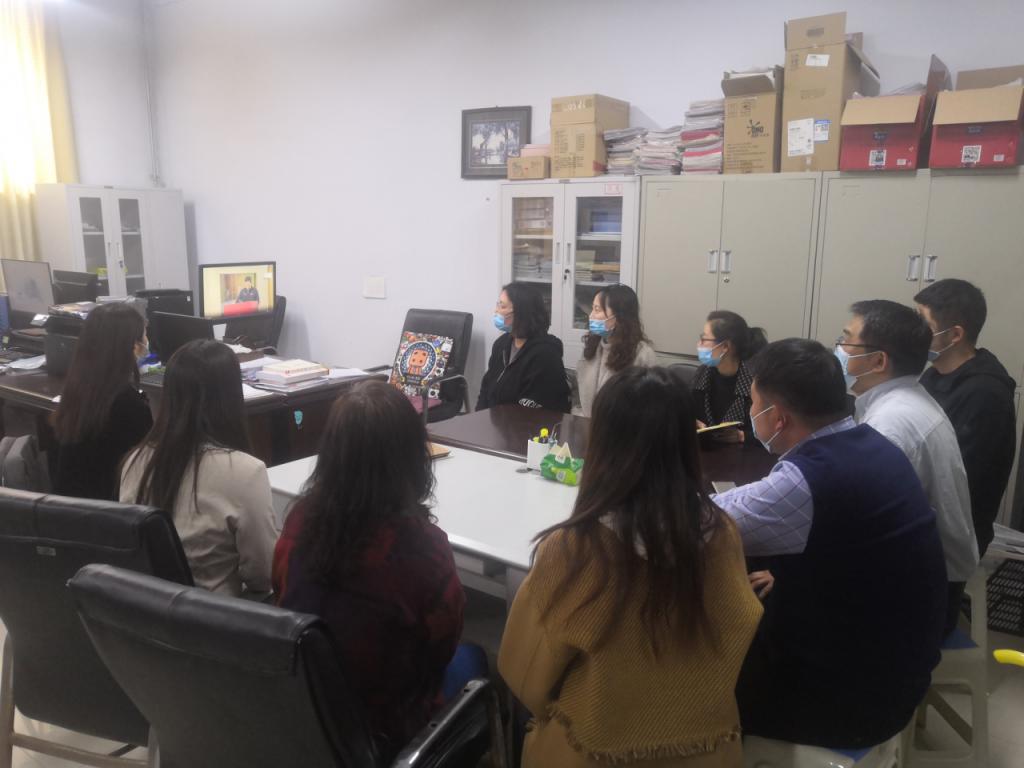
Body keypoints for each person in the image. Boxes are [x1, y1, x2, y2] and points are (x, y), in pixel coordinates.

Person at [500, 367, 762, 767]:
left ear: (603, 443)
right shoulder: (722, 532)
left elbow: (522, 673)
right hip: (709, 750)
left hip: (594, 751)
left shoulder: (576, 547)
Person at [713, 339, 947, 748]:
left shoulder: (810, 479)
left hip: (850, 701)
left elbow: (699, 526)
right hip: (894, 671)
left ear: (778, 418)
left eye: (753, 403)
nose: (750, 413)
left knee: (693, 669)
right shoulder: (870, 444)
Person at [273, 381, 464, 761]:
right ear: (413, 458)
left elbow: (280, 593)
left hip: (305, 720)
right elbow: (443, 649)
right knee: (476, 661)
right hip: (388, 734)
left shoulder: (298, 522)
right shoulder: (424, 550)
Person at [838, 300, 978, 635]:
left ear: (878, 361)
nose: (839, 349)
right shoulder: (903, 399)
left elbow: (862, 526)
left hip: (919, 591)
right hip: (923, 572)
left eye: (846, 340)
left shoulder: (891, 424)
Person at [121, 340, 277, 597]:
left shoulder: (135, 461)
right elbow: (264, 575)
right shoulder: (246, 472)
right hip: (215, 615)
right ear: (231, 397)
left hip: (146, 609)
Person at [916, 279, 1017, 558]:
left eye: (923, 324)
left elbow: (954, 480)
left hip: (951, 539)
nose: (914, 332)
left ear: (955, 334)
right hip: (924, 520)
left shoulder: (985, 393)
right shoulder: (933, 375)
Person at [52, 303, 153, 500]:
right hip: (111, 510)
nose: (147, 341)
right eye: (144, 335)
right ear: (133, 347)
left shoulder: (79, 389)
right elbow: (146, 469)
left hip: (70, 508)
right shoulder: (129, 405)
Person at [476, 282, 570, 412]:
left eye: (502, 306)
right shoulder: (501, 344)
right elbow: (486, 388)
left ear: (521, 312)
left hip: (525, 422)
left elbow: (533, 407)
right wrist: (479, 416)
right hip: (495, 419)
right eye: (498, 305)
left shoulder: (545, 354)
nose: (496, 311)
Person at [574, 284, 657, 417]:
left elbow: (650, 406)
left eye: (597, 309)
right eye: (592, 308)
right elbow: (583, 401)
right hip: (591, 423)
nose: (591, 315)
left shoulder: (642, 354)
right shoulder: (593, 346)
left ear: (619, 316)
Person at [692, 310, 767, 442]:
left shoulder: (755, 383)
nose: (699, 344)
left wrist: (743, 436)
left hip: (744, 453)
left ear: (725, 346)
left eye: (704, 339)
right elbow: (688, 411)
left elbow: (773, 433)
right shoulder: (702, 373)